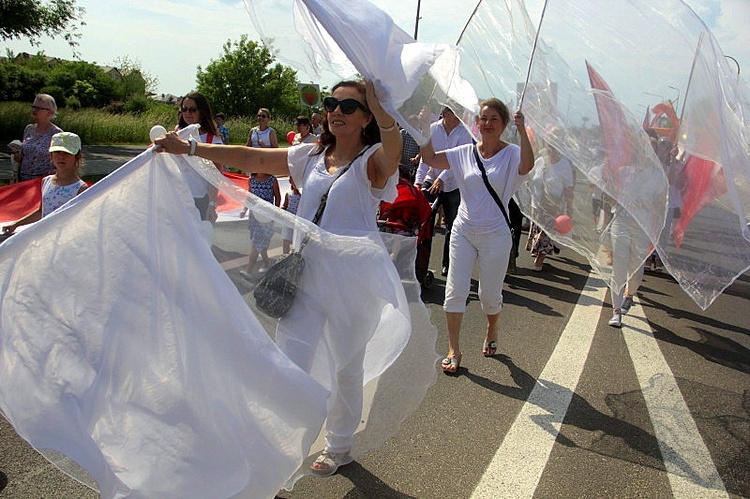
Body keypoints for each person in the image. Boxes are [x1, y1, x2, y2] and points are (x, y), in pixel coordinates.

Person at [155, 79, 403, 477]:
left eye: (350, 106)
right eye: (331, 104)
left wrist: (380, 104)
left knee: (345, 367)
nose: (337, 111)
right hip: (305, 276)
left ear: (367, 117)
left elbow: (394, 152)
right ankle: (276, 450)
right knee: (289, 365)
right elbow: (251, 158)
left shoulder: (372, 160)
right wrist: (190, 148)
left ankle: (339, 444)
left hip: (353, 281)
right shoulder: (311, 156)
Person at [420, 98, 533, 374]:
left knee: (488, 296)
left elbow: (527, 166)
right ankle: (454, 349)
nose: (488, 124)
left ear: (504, 124)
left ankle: (492, 325)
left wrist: (524, 130)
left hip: (496, 235)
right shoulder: (463, 152)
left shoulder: (512, 154)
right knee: (454, 292)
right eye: (483, 118)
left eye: (494, 119)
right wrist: (424, 129)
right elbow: (430, 159)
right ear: (476, 123)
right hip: (463, 230)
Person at [415, 106, 474, 277]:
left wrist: (442, 178)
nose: (458, 114)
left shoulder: (466, 133)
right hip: (431, 178)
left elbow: (460, 161)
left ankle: (448, 265)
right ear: (445, 112)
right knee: (422, 224)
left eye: (459, 111)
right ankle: (419, 263)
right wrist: (418, 182)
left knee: (453, 227)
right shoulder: (433, 129)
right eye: (452, 110)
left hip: (454, 183)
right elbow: (425, 159)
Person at [2, 132, 87, 234]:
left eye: (67, 153)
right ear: (51, 156)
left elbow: (79, 221)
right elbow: (41, 212)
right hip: (45, 236)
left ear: (77, 158)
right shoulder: (46, 181)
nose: (61, 157)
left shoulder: (80, 189)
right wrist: (16, 224)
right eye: (57, 152)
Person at [176, 92, 225, 222]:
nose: (187, 113)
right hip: (177, 198)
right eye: (184, 109)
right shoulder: (176, 134)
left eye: (192, 110)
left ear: (202, 112)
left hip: (200, 200)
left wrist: (212, 205)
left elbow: (214, 177)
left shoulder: (212, 140)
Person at [526, 144, 575, 271]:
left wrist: (570, 208)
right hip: (536, 205)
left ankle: (539, 261)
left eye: (554, 147)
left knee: (545, 234)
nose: (551, 150)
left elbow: (569, 187)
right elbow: (530, 176)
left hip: (553, 207)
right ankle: (540, 251)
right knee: (538, 231)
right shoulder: (540, 161)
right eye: (549, 147)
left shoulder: (564, 165)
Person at [238, 172, 281, 277]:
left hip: (266, 217)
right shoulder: (251, 180)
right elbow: (249, 197)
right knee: (259, 242)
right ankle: (266, 262)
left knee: (257, 242)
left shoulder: (272, 179)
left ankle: (249, 270)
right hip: (254, 216)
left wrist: (275, 212)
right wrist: (244, 210)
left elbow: (277, 197)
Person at [15, 94, 63, 182]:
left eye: (39, 108)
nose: (34, 110)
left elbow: (61, 160)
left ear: (50, 112)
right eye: (33, 107)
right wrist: (18, 156)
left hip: (42, 182)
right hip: (23, 180)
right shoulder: (29, 129)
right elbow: (24, 153)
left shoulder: (57, 133)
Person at [280, 177, 301, 254]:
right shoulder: (288, 194)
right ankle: (284, 256)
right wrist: (281, 209)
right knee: (286, 240)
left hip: (297, 221)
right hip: (288, 220)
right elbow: (285, 205)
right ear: (290, 181)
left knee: (296, 240)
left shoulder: (302, 196)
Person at [399, 115, 421, 181]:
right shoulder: (403, 133)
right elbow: (398, 146)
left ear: (418, 124)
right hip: (401, 163)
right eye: (412, 123)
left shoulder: (420, 135)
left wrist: (417, 158)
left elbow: (422, 149)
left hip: (412, 165)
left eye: (415, 123)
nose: (413, 125)